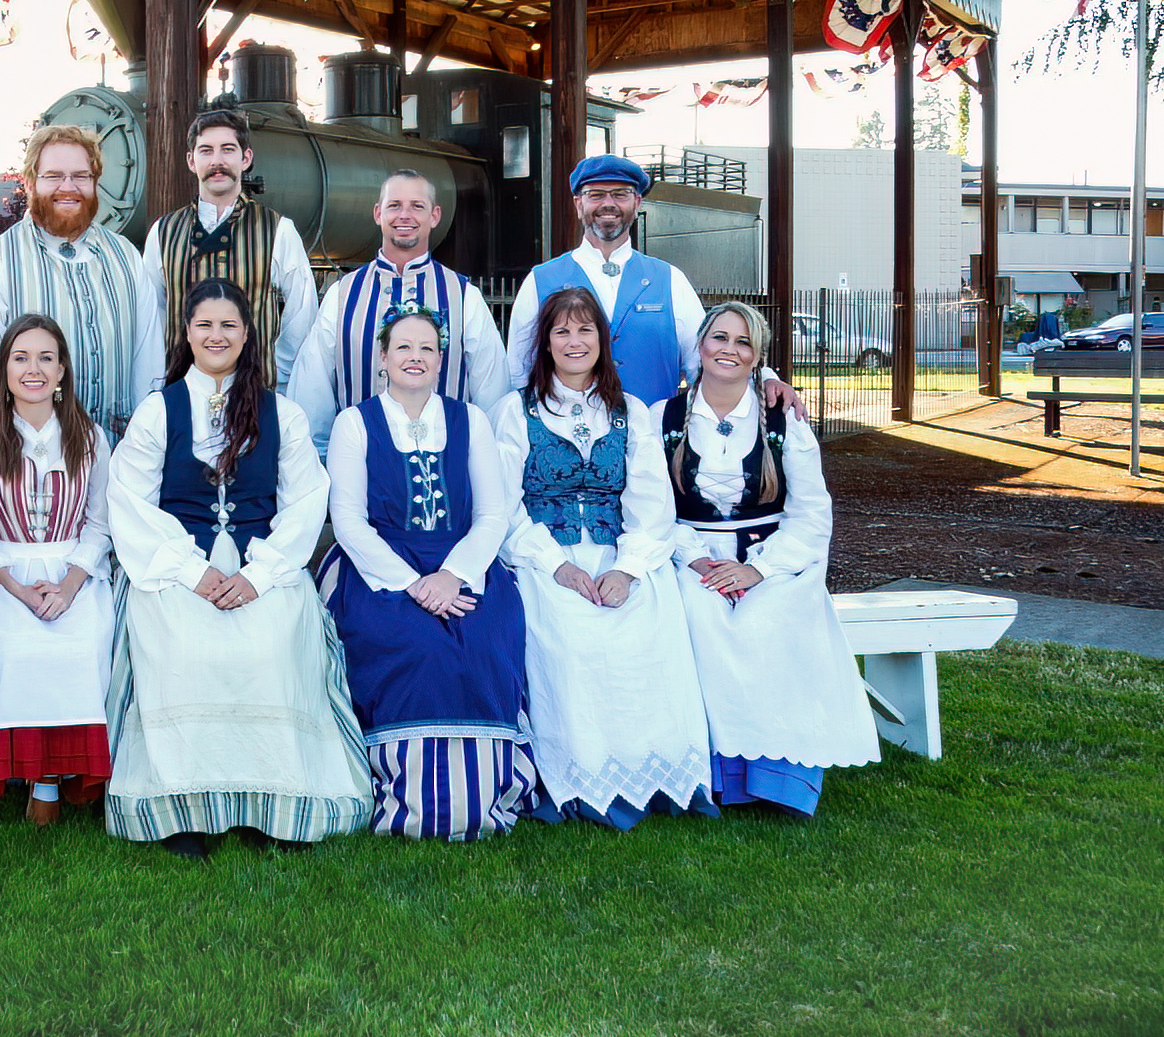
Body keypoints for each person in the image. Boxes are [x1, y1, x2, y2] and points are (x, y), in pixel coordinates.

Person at [106, 278, 370, 859]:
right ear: (187, 334)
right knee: (183, 641)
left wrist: (259, 573)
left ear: (248, 335)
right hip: (177, 565)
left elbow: (305, 503)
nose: (217, 335)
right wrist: (189, 570)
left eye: (229, 325)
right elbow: (128, 500)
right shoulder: (160, 410)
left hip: (262, 563)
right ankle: (186, 808)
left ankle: (267, 801)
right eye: (205, 325)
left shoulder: (283, 414)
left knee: (271, 638)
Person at [492, 285, 713, 829]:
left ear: (601, 341)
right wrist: (557, 564)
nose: (573, 341)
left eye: (584, 330)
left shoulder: (629, 412)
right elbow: (501, 505)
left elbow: (651, 504)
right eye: (561, 331)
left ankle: (654, 776)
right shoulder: (514, 412)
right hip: (544, 557)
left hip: (618, 552)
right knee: (569, 632)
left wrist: (627, 568)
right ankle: (580, 779)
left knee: (648, 625)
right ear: (544, 343)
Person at [320, 304, 535, 839]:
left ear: (441, 360)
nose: (415, 358)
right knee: (414, 644)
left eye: (427, 349)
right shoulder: (356, 423)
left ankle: (486, 793)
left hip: (463, 564)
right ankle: (400, 798)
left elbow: (492, 514)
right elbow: (347, 520)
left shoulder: (471, 420)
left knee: (483, 638)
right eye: (404, 348)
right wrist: (413, 583)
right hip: (379, 568)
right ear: (383, 359)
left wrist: (453, 574)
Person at [660, 301, 879, 816]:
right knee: (700, 616)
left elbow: (811, 513)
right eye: (719, 338)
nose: (729, 350)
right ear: (700, 347)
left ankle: (779, 778)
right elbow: (652, 509)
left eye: (743, 342)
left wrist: (757, 569)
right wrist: (699, 562)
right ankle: (720, 779)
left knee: (772, 618)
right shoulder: (664, 417)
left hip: (770, 555)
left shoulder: (783, 418)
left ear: (758, 356)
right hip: (691, 554)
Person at [0, 315, 117, 825]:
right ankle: (34, 777)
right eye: (20, 357)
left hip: (75, 571)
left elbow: (100, 525)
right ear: (4, 369)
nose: (33, 369)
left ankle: (54, 780)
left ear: (63, 369)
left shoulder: (90, 437)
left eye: (45, 357)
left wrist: (70, 586)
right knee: (15, 648)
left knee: (85, 641)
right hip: (6, 576)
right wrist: (21, 590)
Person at [505, 154, 797, 414]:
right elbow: (518, 371)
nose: (608, 204)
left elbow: (705, 356)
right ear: (578, 204)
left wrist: (767, 378)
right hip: (568, 444)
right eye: (596, 194)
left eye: (621, 194)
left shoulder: (670, 279)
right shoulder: (541, 280)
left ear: (637, 203)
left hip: (653, 442)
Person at [0, 124, 162, 438]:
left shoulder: (126, 258)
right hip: (28, 471)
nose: (68, 187)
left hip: (117, 465)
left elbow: (148, 366)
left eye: (81, 176)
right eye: (54, 176)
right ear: (30, 183)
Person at [288, 169, 513, 454]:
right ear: (378, 213)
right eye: (394, 206)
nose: (404, 215)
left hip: (446, 466)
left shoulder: (463, 295)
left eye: (417, 206)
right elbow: (313, 386)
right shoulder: (343, 294)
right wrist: (319, 460)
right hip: (361, 465)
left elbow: (492, 392)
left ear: (434, 216)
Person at [141, 108, 317, 391]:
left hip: (256, 394)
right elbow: (150, 316)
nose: (217, 161)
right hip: (182, 391)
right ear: (191, 160)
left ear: (245, 158)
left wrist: (276, 373)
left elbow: (302, 313)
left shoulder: (278, 229)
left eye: (227, 150)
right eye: (206, 151)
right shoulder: (163, 232)